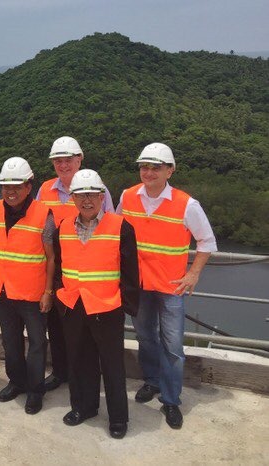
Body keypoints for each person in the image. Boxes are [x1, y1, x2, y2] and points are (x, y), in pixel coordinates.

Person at [118, 143, 216, 429]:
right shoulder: (127, 197)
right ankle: (151, 381)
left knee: (173, 346)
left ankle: (171, 400)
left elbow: (207, 242)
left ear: (169, 170)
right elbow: (115, 230)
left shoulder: (186, 204)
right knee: (145, 336)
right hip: (139, 285)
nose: (148, 172)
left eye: (155, 167)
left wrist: (193, 273)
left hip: (171, 286)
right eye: (144, 167)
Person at [54, 169, 139, 439]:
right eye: (80, 195)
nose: (86, 200)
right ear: (72, 198)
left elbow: (130, 272)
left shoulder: (120, 226)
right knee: (79, 361)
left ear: (102, 196)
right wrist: (60, 296)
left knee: (112, 364)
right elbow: (59, 266)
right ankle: (83, 407)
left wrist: (125, 306)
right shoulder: (64, 227)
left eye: (92, 194)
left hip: (107, 306)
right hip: (73, 305)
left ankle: (118, 418)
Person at [36, 136, 114, 392]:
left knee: (88, 328)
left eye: (68, 160)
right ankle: (61, 372)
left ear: (80, 159)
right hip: (56, 269)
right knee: (56, 326)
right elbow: (38, 225)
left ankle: (88, 374)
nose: (63, 165)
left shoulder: (96, 188)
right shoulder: (45, 189)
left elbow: (110, 230)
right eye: (58, 161)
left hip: (88, 272)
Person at [0, 157, 55, 414]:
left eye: (16, 186)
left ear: (29, 186)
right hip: (3, 292)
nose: (11, 191)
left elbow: (51, 258)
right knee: (11, 343)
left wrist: (48, 292)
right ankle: (16, 381)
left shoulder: (43, 213)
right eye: (6, 186)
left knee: (38, 343)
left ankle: (36, 390)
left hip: (33, 294)